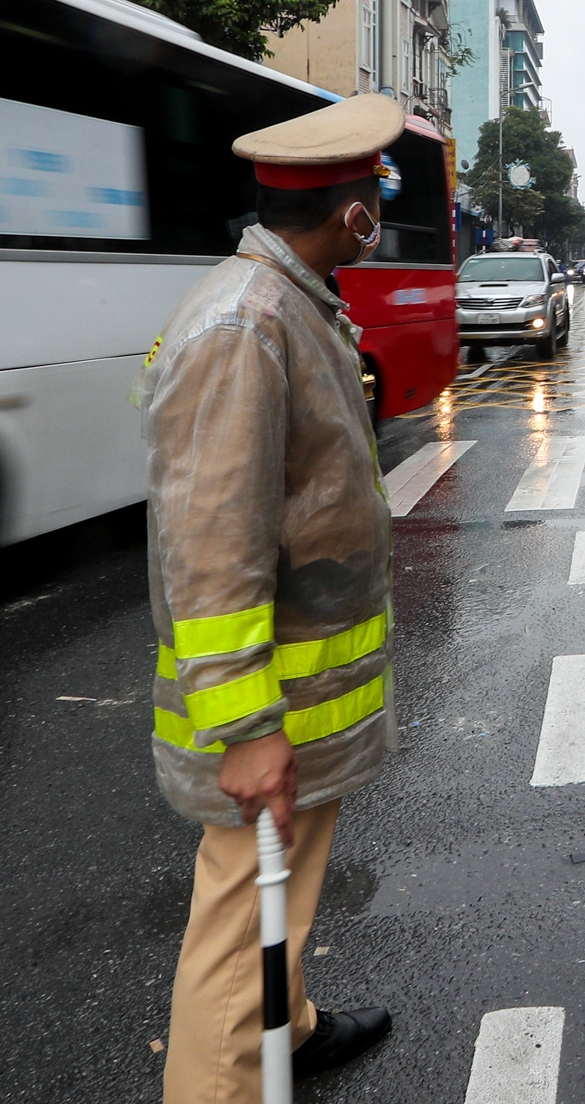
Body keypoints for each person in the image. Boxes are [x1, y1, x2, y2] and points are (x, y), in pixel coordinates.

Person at [141, 94, 406, 1104]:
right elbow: (211, 551)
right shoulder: (245, 326)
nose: (379, 210)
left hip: (304, 687)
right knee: (237, 913)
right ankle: (226, 1078)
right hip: (268, 704)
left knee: (275, 894)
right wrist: (248, 726)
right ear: (355, 218)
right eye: (375, 194)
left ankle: (284, 1024)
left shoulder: (289, 300)